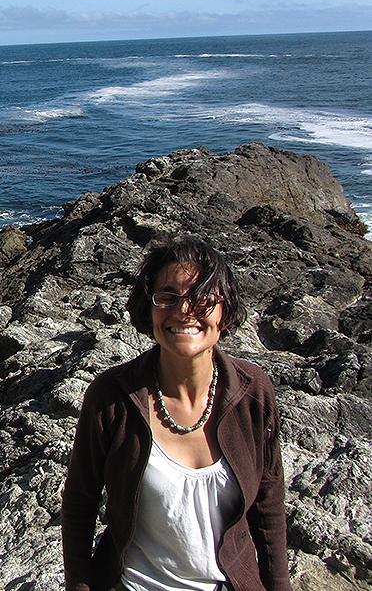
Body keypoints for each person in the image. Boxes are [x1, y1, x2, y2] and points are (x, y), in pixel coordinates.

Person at [61, 236, 290, 591]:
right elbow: (79, 504)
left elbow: (269, 504)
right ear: (148, 309)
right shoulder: (112, 397)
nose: (184, 311)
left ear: (224, 310)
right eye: (168, 297)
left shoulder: (253, 392)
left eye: (201, 297)